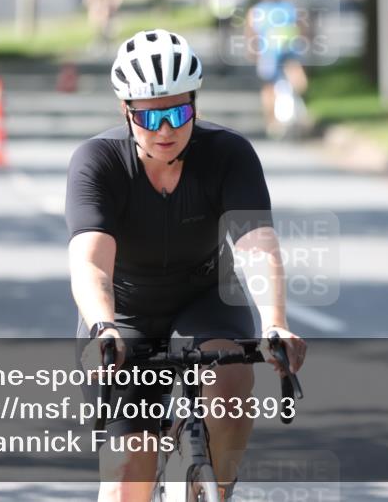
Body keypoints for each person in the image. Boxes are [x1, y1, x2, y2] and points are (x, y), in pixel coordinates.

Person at [66, 28, 306, 502]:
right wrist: (102, 326)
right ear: (125, 111)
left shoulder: (228, 154)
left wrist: (276, 322)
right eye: (150, 116)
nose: (166, 130)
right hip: (125, 312)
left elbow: (256, 245)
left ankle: (213, 487)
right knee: (125, 477)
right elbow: (91, 262)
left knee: (234, 377)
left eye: (179, 113)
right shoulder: (97, 162)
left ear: (195, 103)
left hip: (205, 298)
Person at [245, 0, 309, 137]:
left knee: (269, 87)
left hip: (268, 53)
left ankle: (272, 123)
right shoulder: (289, 8)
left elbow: (251, 34)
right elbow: (301, 27)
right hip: (290, 50)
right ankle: (300, 110)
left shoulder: (256, 11)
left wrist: (253, 53)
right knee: (297, 79)